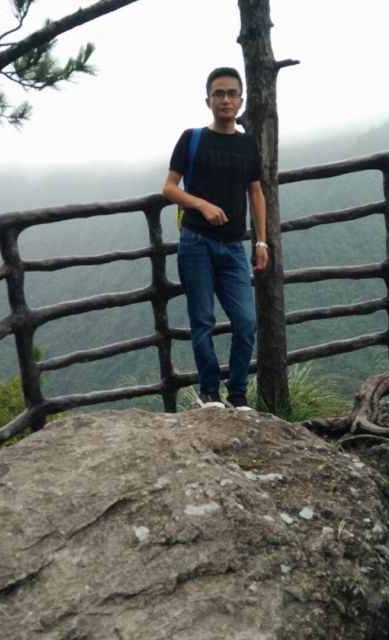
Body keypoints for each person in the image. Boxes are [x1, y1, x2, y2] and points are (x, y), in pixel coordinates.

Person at [162, 66, 268, 411]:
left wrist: (262, 242)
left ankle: (237, 394)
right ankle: (209, 392)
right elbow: (169, 188)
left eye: (232, 93)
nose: (225, 99)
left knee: (246, 322)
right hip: (196, 241)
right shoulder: (192, 138)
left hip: (234, 245)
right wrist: (202, 205)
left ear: (241, 101)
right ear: (208, 101)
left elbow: (256, 193)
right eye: (218, 93)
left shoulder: (247, 144)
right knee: (203, 320)